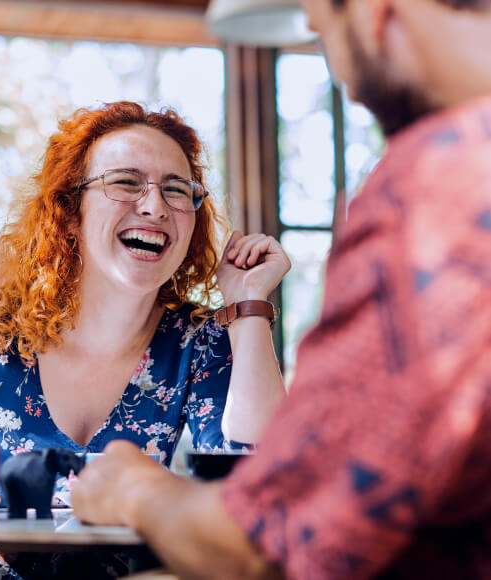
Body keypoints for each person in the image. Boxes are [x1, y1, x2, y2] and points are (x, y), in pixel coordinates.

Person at [71, 1, 491, 579]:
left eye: (324, 33)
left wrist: (134, 489)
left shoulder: (436, 191)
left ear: (375, 12)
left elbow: (274, 538)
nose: (347, 81)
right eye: (124, 183)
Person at [0, 101, 290, 579]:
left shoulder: (196, 344)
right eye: (126, 182)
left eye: (176, 189)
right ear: (69, 212)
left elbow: (255, 483)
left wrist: (248, 304)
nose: (154, 206)